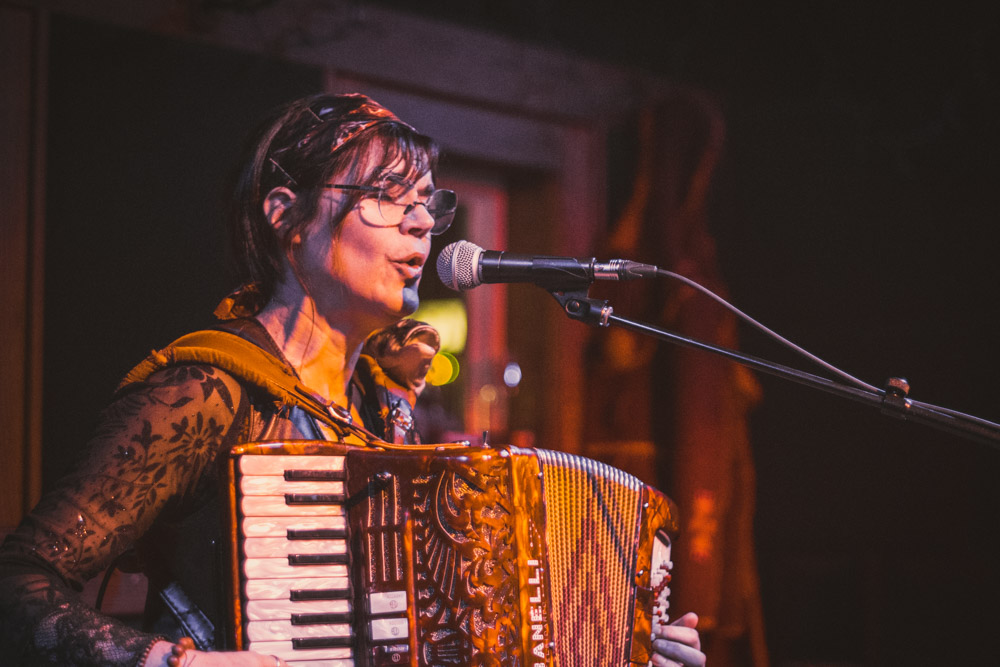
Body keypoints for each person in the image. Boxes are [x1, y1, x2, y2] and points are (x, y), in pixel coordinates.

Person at [0, 93, 705, 667]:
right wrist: (167, 662)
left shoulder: (382, 406)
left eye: (428, 201)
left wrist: (632, 646)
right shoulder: (206, 391)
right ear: (287, 216)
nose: (423, 222)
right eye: (387, 195)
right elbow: (16, 587)